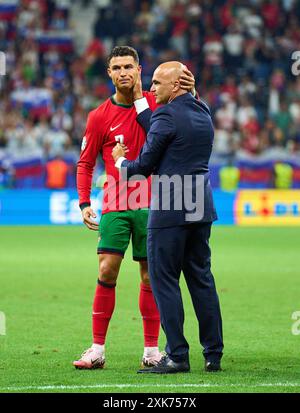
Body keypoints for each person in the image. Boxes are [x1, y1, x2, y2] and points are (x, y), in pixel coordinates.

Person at [74, 46, 195, 369]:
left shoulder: (158, 107)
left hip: (153, 202)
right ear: (109, 74)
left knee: (148, 275)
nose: (123, 72)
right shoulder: (99, 116)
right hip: (115, 201)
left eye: (129, 66)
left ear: (140, 70)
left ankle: (152, 350)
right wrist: (85, 202)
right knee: (106, 269)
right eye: (117, 67)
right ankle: (97, 349)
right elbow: (85, 163)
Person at [112, 61, 224, 374]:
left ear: (176, 86)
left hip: (170, 206)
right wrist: (139, 99)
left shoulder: (166, 115)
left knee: (164, 281)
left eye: (158, 83)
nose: (152, 89)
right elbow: (163, 126)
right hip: (199, 203)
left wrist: (120, 163)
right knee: (202, 279)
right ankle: (213, 354)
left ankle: (177, 355)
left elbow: (143, 166)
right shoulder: (202, 110)